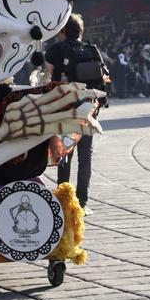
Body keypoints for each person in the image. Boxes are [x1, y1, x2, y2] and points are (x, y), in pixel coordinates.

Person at [46, 14, 109, 215]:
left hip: (66, 108)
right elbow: (105, 78)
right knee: (85, 156)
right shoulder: (92, 50)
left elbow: (46, 78)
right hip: (89, 108)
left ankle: (63, 200)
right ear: (80, 31)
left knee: (64, 154)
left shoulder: (55, 50)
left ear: (63, 31)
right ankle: (82, 202)